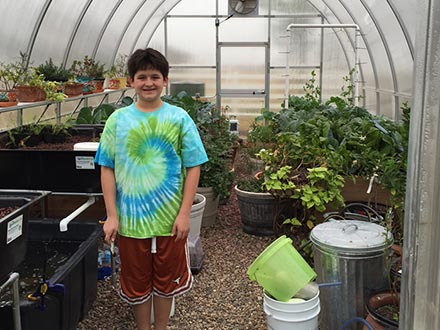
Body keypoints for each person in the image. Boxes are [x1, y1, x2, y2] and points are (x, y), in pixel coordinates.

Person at [94, 48, 208, 330]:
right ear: (131, 81)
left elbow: (194, 165)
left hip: (170, 222)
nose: (148, 83)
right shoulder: (118, 121)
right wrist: (112, 216)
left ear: (165, 80)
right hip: (131, 222)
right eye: (141, 77)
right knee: (137, 283)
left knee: (167, 282)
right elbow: (106, 167)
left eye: (154, 77)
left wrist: (184, 214)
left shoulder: (179, 118)